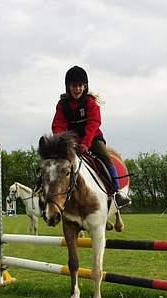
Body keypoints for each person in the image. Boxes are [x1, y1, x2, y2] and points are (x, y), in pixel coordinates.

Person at [51, 65, 131, 207]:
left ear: (85, 86)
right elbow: (58, 126)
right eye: (74, 86)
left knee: (105, 155)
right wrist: (62, 142)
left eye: (80, 85)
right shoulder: (62, 105)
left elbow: (94, 123)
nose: (77, 89)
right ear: (68, 87)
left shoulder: (90, 103)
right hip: (72, 141)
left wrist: (86, 144)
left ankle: (117, 191)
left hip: (92, 138)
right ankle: (52, 194)